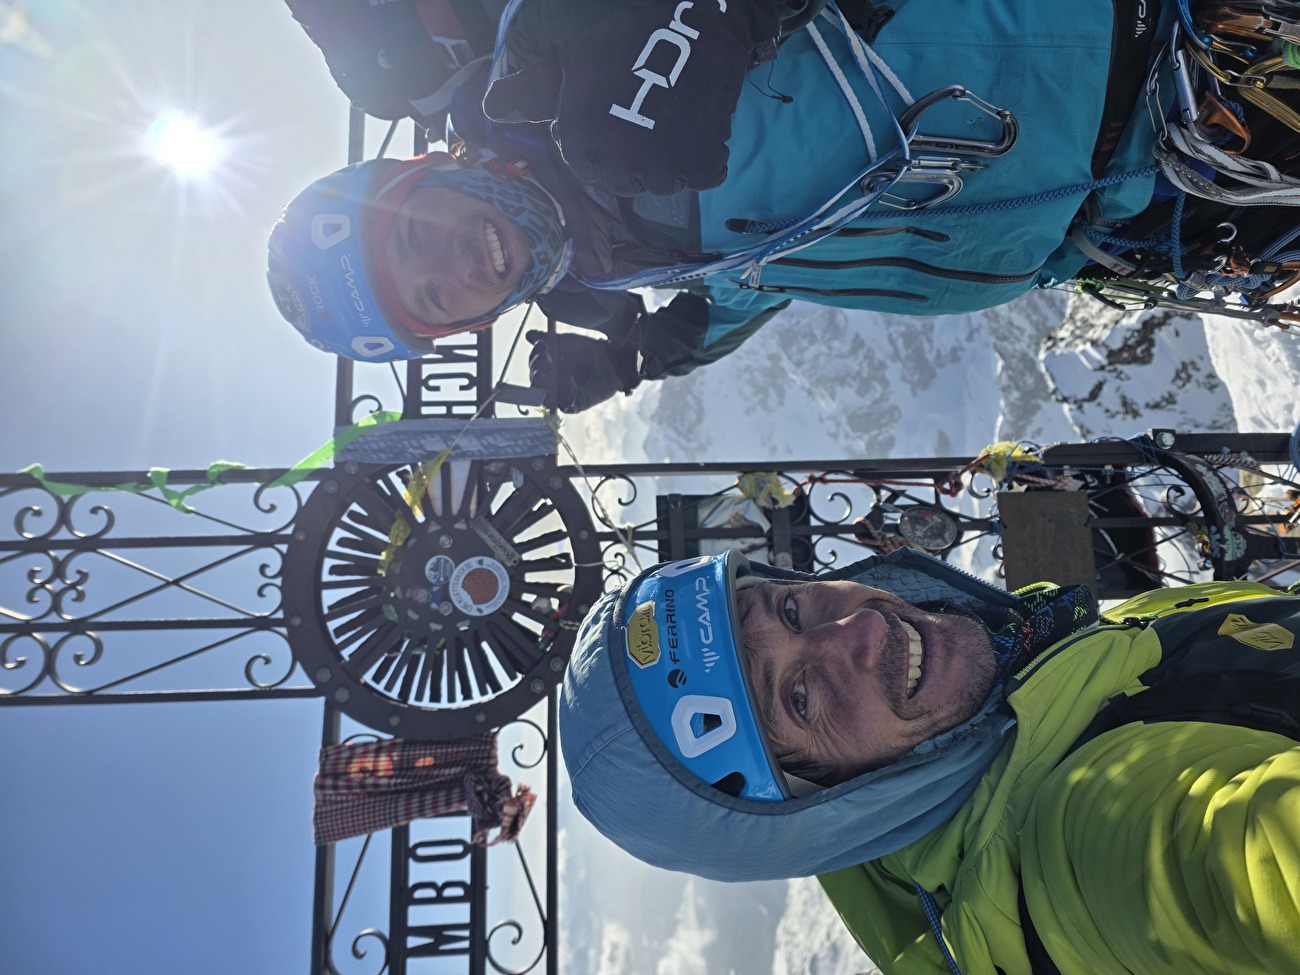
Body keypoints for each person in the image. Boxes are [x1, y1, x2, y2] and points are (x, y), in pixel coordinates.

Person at [269, 0, 1183, 410]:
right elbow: (762, 271)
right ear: (460, 327)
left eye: (417, 231)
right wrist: (649, 354)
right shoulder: (610, 259)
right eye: (432, 295)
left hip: (1141, 37)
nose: (454, 261)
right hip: (1136, 218)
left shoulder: (547, 45)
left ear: (425, 165)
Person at [560, 548, 1300, 974]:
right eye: (799, 698)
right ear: (821, 807)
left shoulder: (1027, 673)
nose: (858, 628)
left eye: (788, 609)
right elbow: (1254, 858)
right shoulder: (1085, 840)